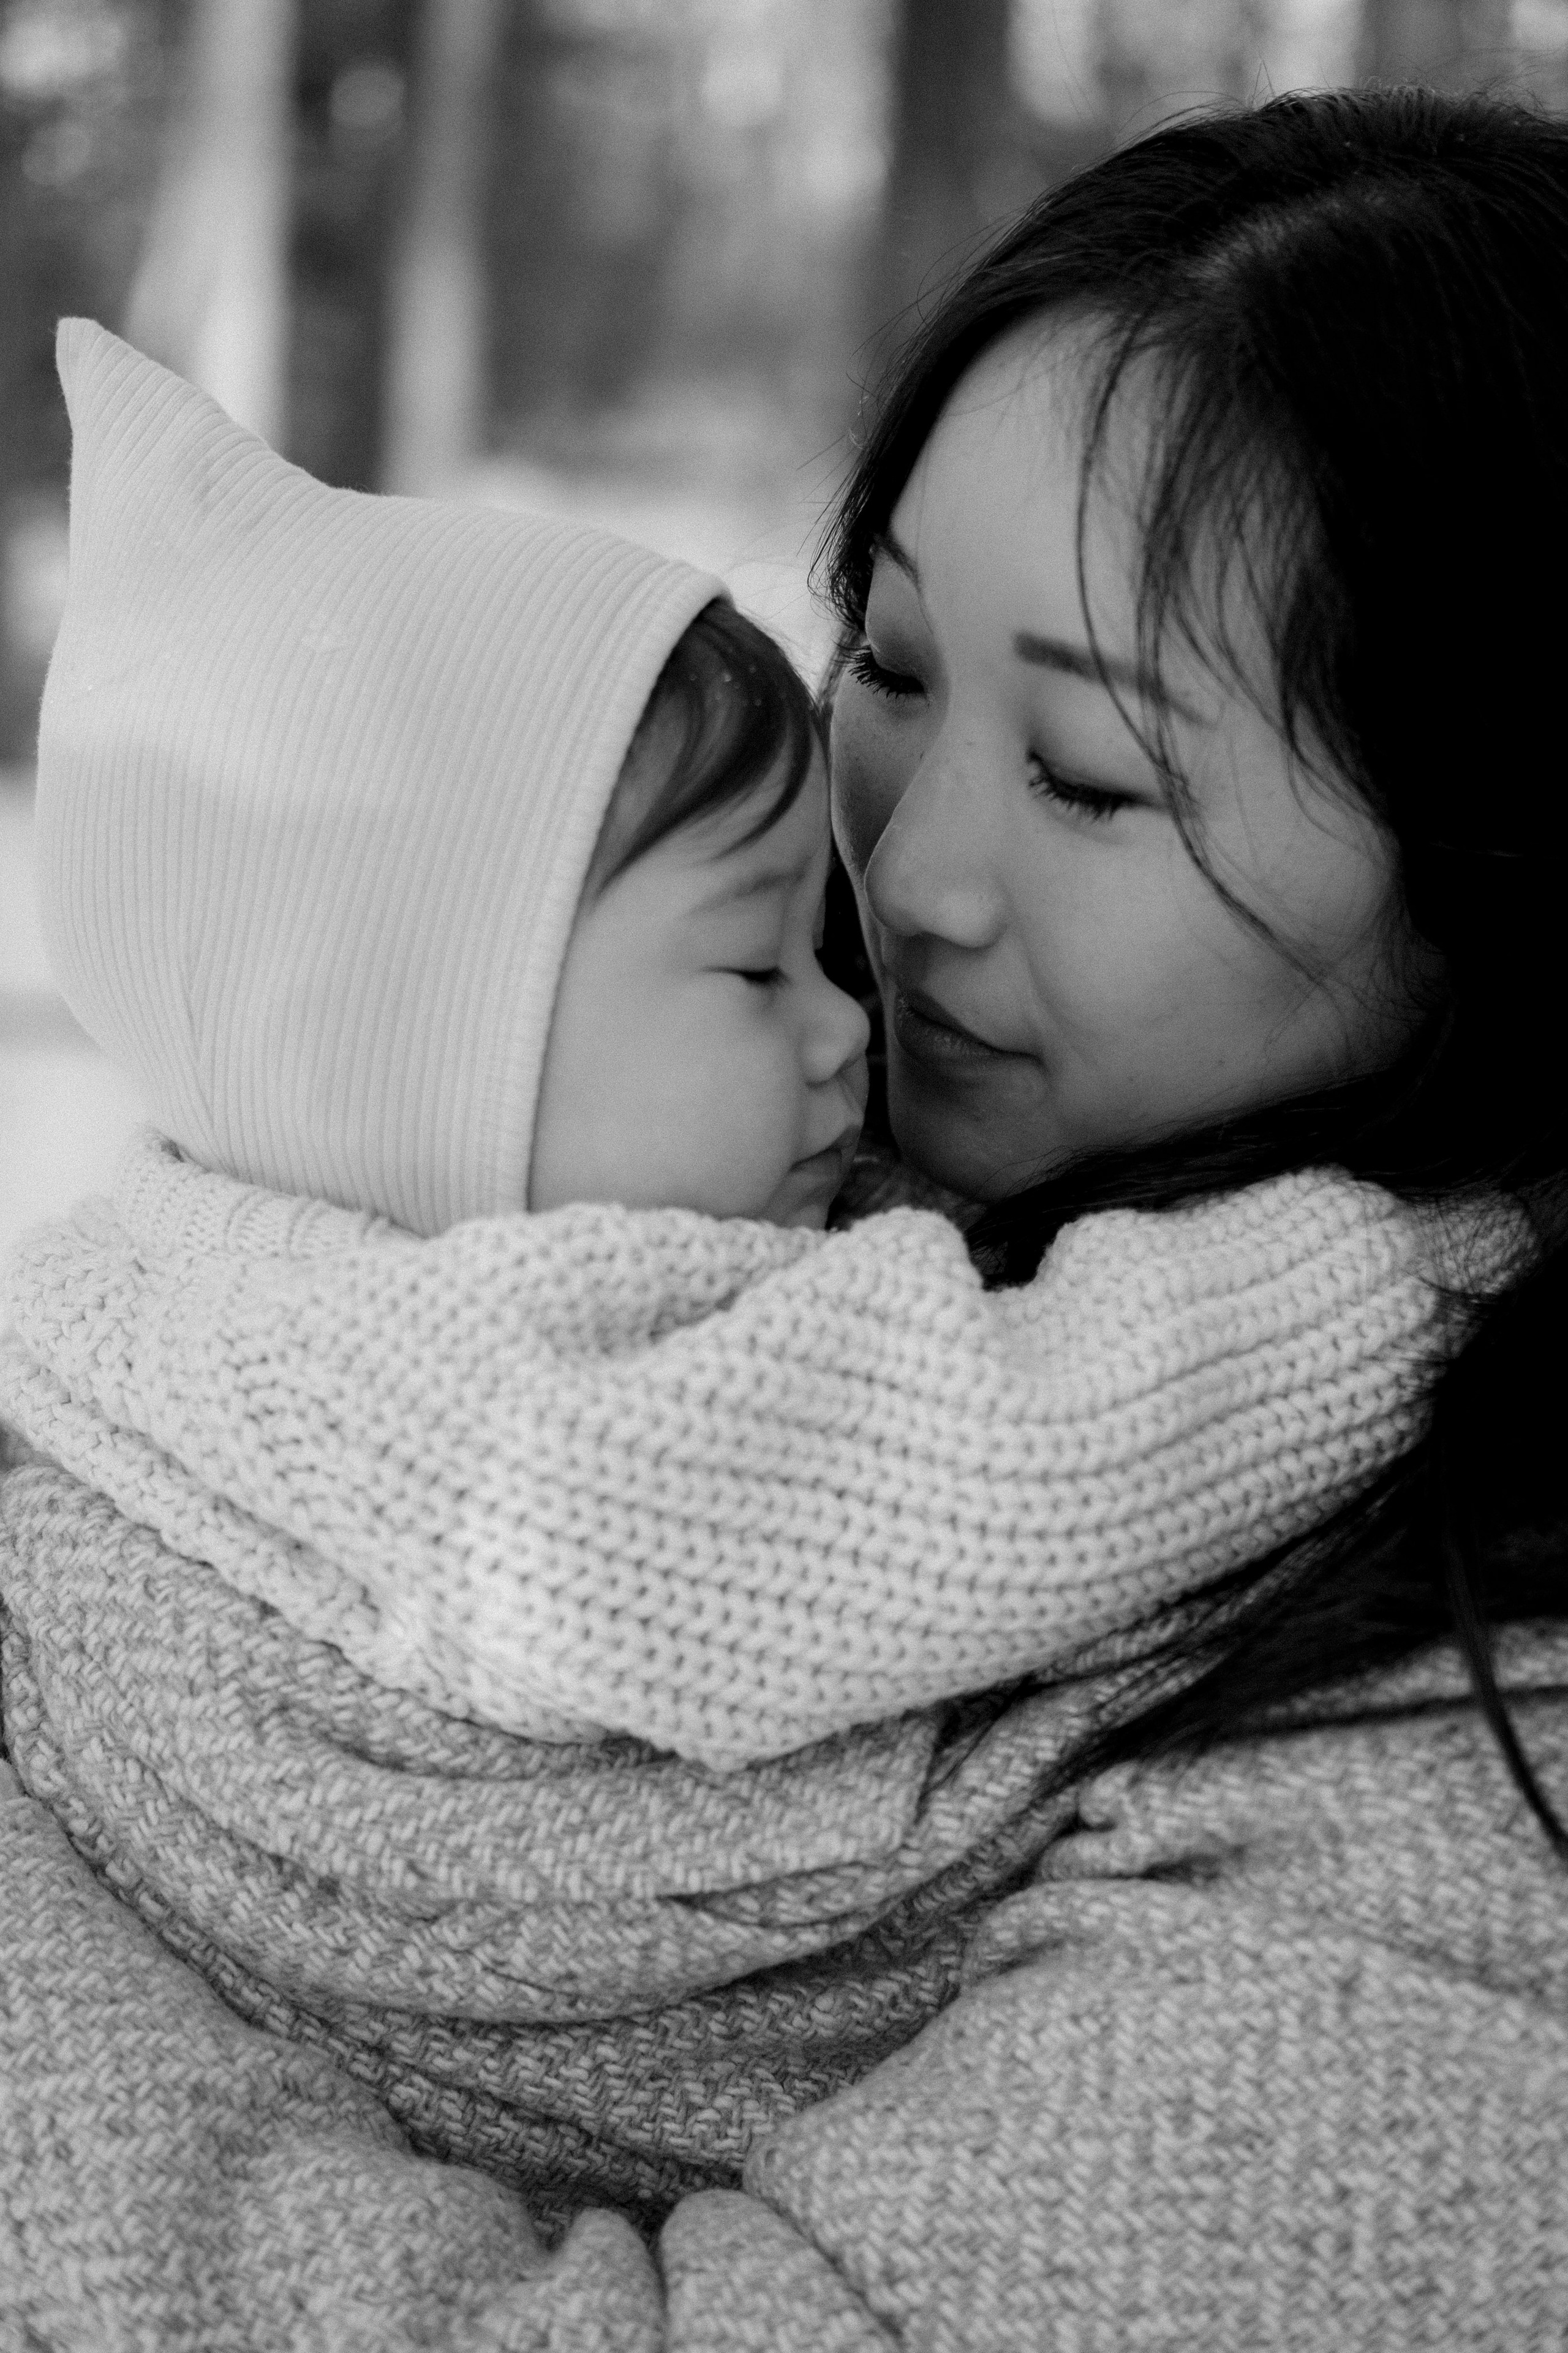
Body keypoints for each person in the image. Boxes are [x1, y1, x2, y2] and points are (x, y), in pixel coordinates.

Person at [2, 83, 1566, 2350]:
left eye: (1094, 776)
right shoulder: (665, 1169)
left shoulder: (1477, 1760)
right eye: (899, 666)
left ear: (1506, 870)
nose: (907, 874)